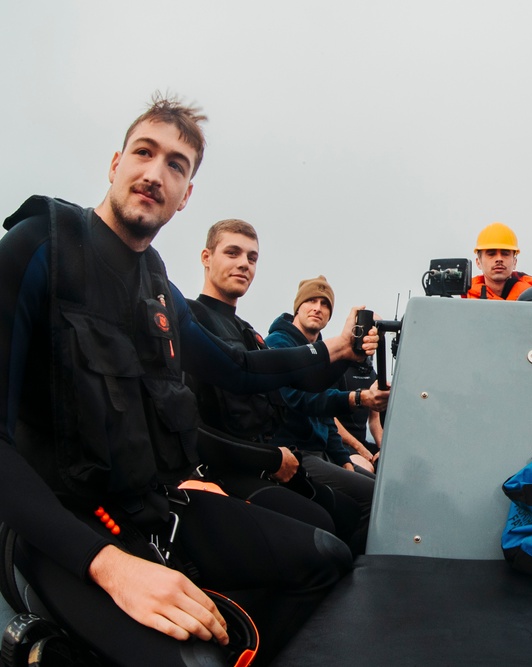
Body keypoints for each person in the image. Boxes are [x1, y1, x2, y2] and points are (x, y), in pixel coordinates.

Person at [0, 94, 379, 666]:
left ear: (186, 195)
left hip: (153, 509)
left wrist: (333, 349)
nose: (155, 173)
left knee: (328, 556)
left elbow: (240, 367)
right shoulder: (38, 248)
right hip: (58, 530)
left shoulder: (157, 287)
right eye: (144, 153)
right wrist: (109, 565)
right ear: (115, 164)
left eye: (176, 165)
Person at [185, 218, 364, 544]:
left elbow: (301, 384)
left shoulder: (247, 332)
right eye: (232, 253)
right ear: (206, 257)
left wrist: (347, 356)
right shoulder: (191, 319)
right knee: (325, 530)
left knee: (350, 514)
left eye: (252, 258)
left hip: (268, 463)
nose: (243, 264)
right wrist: (334, 349)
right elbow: (237, 377)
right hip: (224, 470)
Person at [266, 276, 388, 526]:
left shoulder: (323, 351)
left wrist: (343, 458)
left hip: (320, 452)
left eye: (325, 304)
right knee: (377, 497)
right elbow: (299, 399)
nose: (317, 308)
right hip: (294, 451)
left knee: (384, 486)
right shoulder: (278, 344)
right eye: (311, 301)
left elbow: (327, 420)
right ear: (297, 307)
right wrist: (359, 398)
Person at [335, 356, 383, 473]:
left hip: (361, 442)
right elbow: (329, 419)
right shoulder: (336, 369)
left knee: (390, 464)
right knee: (367, 469)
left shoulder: (371, 372)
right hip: (340, 443)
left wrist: (383, 449)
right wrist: (360, 448)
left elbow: (374, 420)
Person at [464, 222, 532, 300]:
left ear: (515, 262)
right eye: (491, 254)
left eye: (505, 254)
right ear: (478, 262)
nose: (499, 259)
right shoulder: (464, 306)